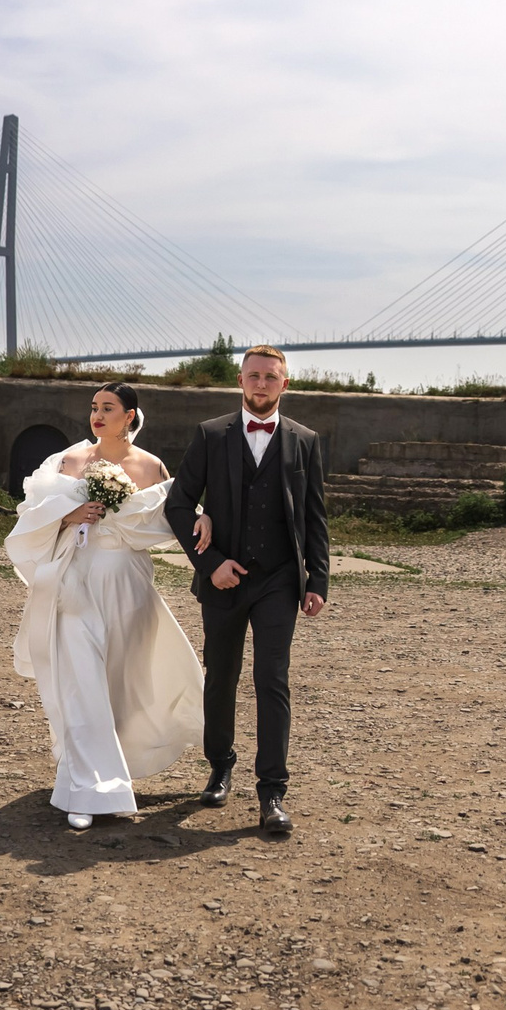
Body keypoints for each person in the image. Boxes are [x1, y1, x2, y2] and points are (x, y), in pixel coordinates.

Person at [5, 382, 204, 830]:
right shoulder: (68, 461)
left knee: (120, 685)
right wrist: (67, 516)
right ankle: (92, 791)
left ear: (130, 415)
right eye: (94, 407)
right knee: (82, 682)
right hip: (75, 581)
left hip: (128, 586)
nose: (97, 415)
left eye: (108, 408)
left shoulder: (152, 466)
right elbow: (29, 515)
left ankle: (102, 770)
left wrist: (205, 518)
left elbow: (177, 515)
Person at [168, 343, 329, 838]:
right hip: (225, 578)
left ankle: (272, 791)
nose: (261, 384)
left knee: (272, 679)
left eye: (270, 376)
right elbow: (178, 506)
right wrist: (210, 563)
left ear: (285, 384)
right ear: (240, 381)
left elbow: (315, 516)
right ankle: (220, 765)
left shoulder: (305, 440)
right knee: (221, 676)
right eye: (253, 375)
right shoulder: (211, 435)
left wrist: (316, 580)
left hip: (279, 579)